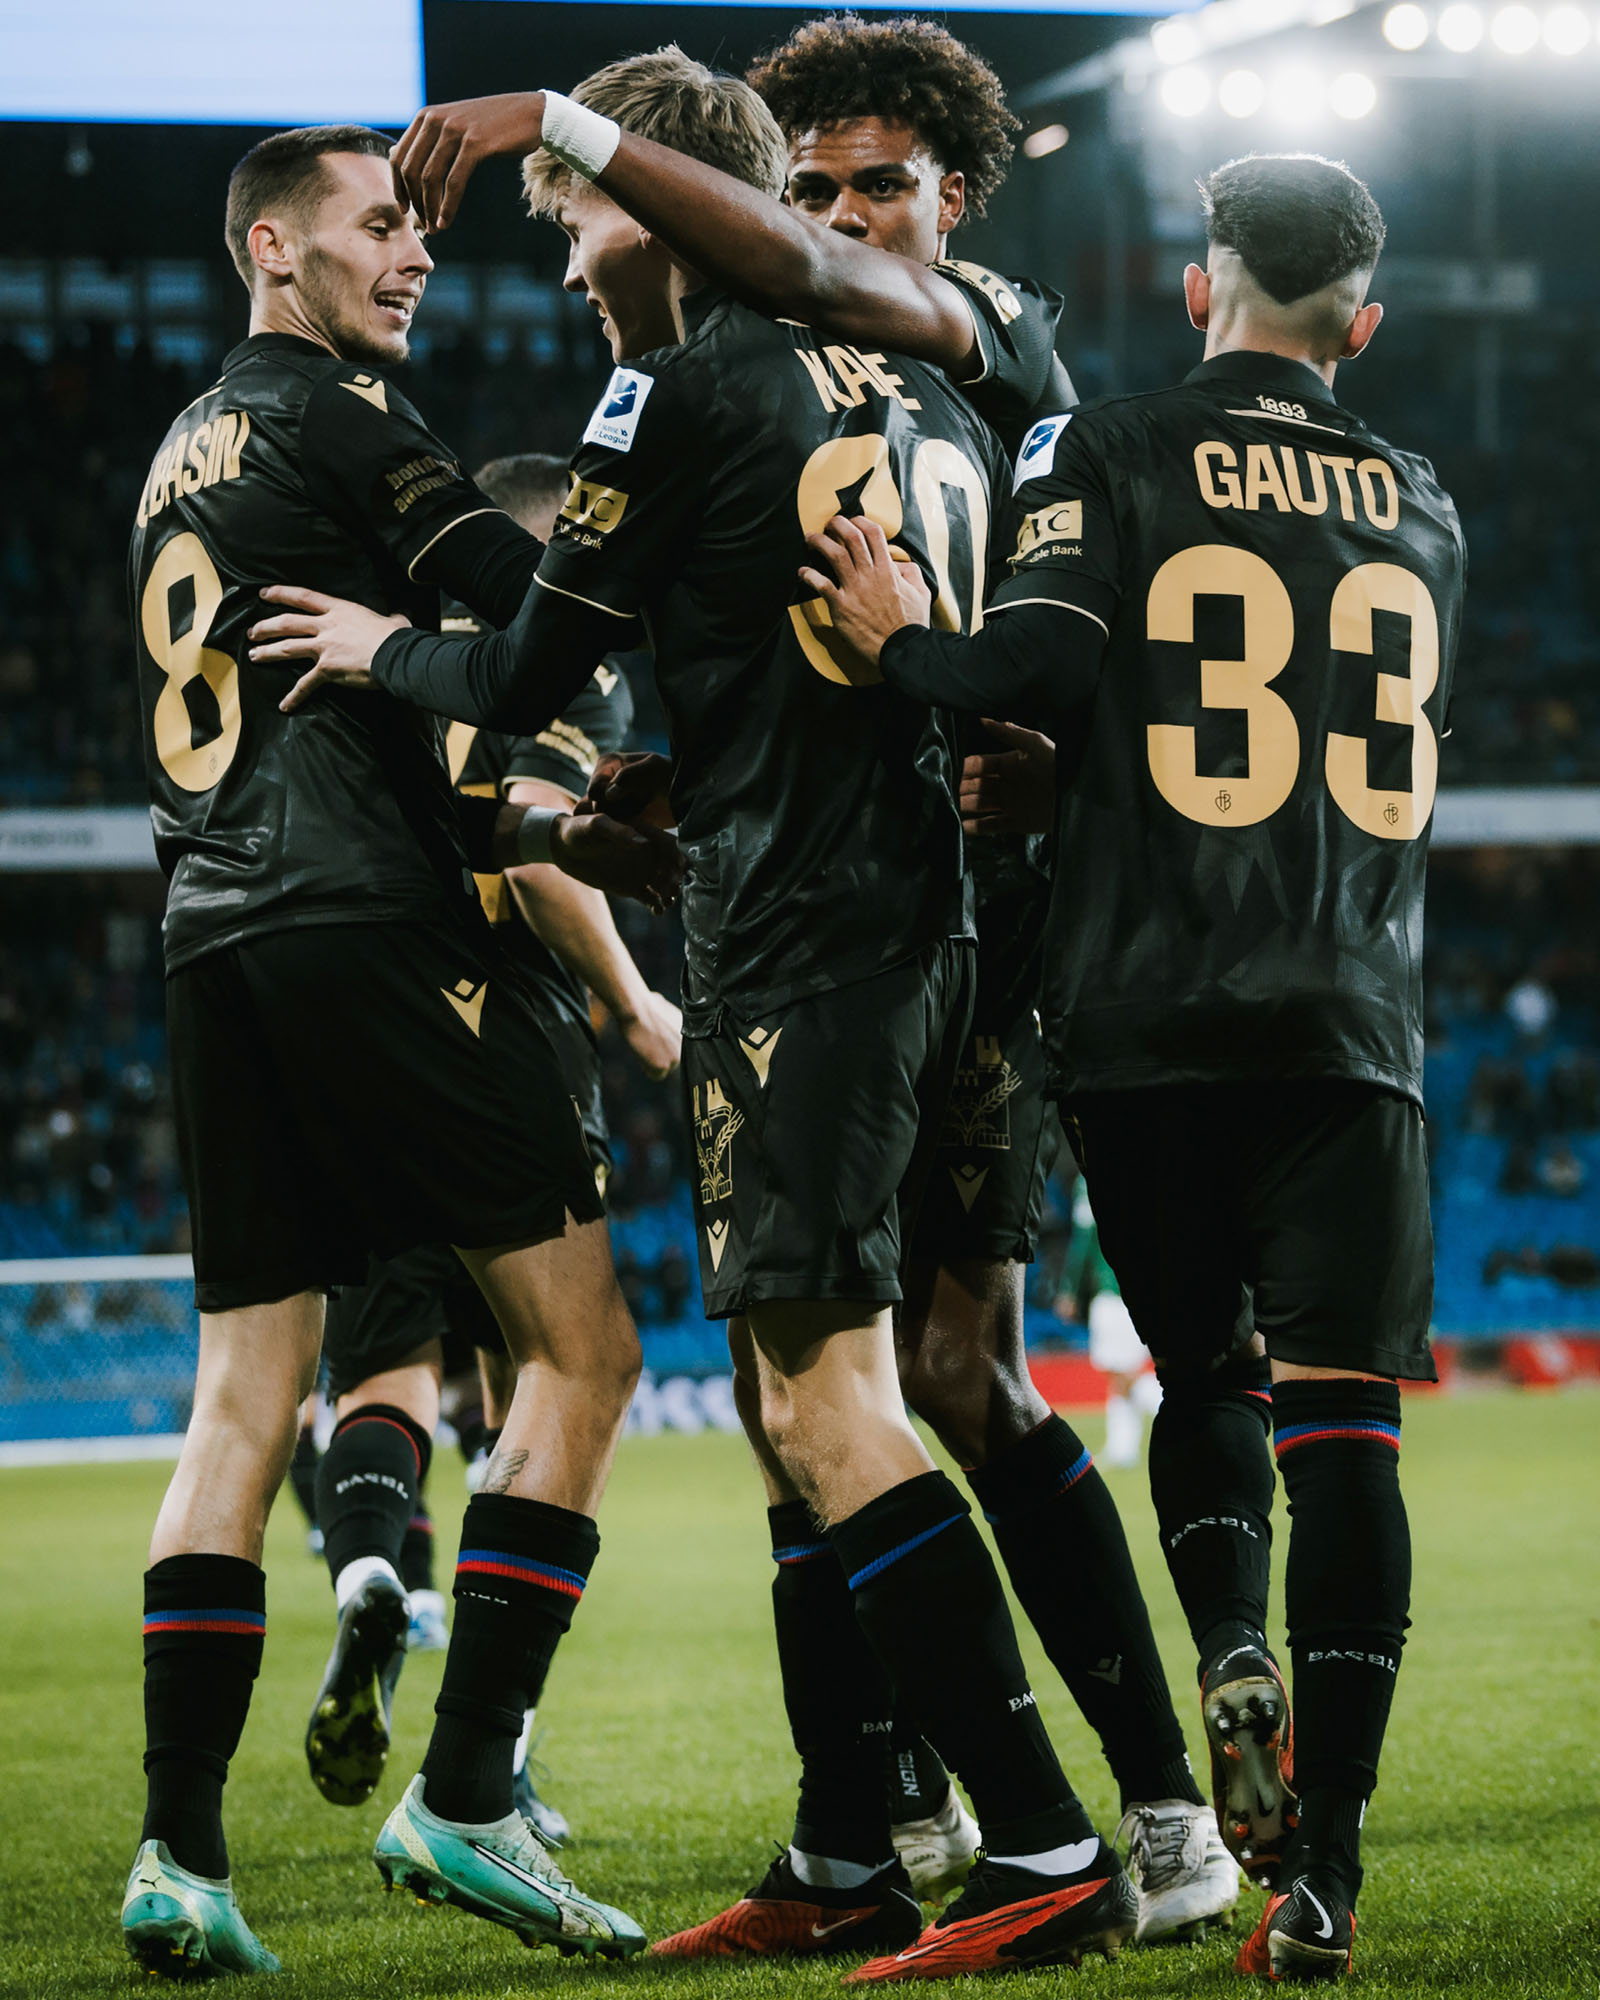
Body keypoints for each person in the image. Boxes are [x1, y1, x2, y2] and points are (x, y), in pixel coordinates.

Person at [249, 48, 1139, 1983]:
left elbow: (520, 667)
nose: (571, 269)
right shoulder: (933, 365)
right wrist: (685, 784)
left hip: (806, 941)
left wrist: (381, 645)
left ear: (655, 203)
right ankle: (850, 1846)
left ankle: (1045, 1844)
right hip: (938, 930)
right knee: (811, 1398)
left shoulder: (678, 387)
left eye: (580, 225)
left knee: (827, 1402)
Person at [803, 152, 1466, 1983]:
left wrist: (902, 642)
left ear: (1198, 290)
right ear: (1363, 326)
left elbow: (1033, 664)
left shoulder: (1107, 444)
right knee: (1349, 1431)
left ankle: (1226, 1635)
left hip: (1146, 1023)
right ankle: (1324, 1874)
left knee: (1205, 1374)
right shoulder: (1424, 501)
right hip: (1352, 1021)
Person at [121, 124, 675, 1978]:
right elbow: (530, 618)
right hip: (375, 927)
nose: (417, 252)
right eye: (379, 224)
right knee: (583, 1354)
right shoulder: (345, 414)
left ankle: (180, 1854)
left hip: (213, 936)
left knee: (240, 1399)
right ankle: (470, 1791)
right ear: (273, 252)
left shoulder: (171, 458)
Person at [305, 447, 680, 1845]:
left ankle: (367, 1580)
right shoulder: (565, 662)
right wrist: (636, 1004)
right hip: (500, 1044)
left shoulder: (390, 648)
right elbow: (534, 860)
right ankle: (487, 1757)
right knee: (559, 1376)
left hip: (357, 1036)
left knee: (392, 1373)